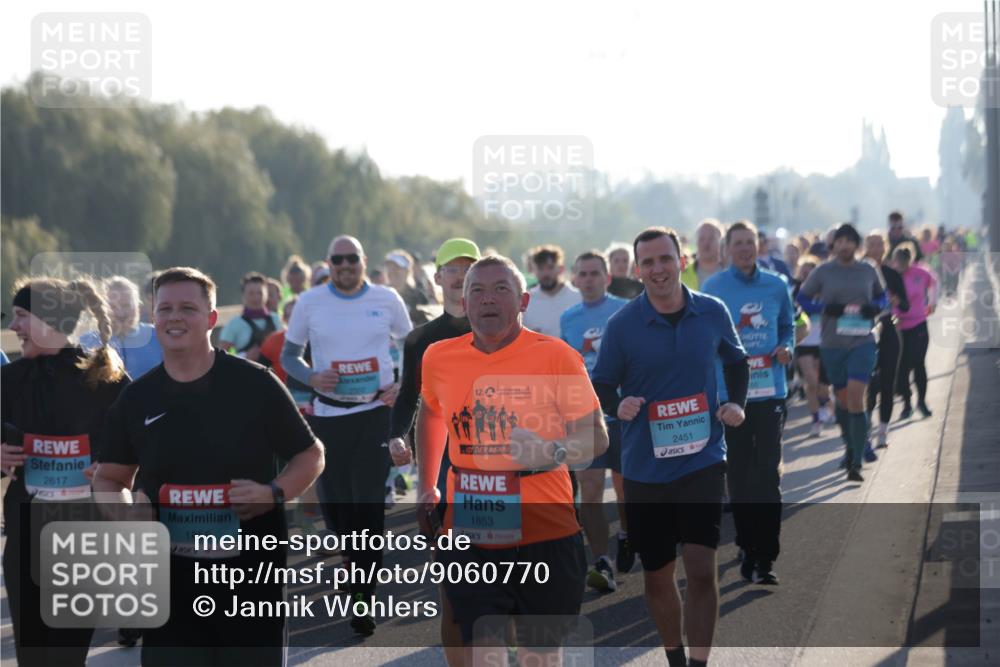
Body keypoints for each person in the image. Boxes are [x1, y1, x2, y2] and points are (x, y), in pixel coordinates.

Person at [95, 267, 324, 666]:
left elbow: (311, 455)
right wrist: (127, 514)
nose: (175, 317)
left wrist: (274, 493)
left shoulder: (255, 384)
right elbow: (109, 479)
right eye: (165, 308)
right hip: (171, 589)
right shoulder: (137, 398)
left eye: (188, 307)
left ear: (212, 319)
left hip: (250, 583)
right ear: (154, 317)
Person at [415, 255, 608, 665]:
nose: (488, 299)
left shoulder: (555, 356)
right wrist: (426, 483)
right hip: (471, 537)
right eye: (477, 291)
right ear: (463, 302)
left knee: (541, 657)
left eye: (500, 289)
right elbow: (431, 412)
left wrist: (551, 452)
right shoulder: (438, 357)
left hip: (547, 537)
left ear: (522, 301)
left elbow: (597, 437)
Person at [591, 227, 749, 667]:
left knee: (700, 568)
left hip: (702, 458)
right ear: (638, 270)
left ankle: (698, 663)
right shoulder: (622, 325)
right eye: (648, 263)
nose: (657, 269)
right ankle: (674, 657)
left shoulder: (712, 312)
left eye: (665, 259)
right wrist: (616, 403)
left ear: (682, 262)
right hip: (645, 467)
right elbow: (600, 383)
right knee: (658, 575)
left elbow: (737, 361)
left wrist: (736, 402)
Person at [281, 235, 411, 635]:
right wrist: (311, 376)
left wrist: (402, 383)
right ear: (329, 263)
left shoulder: (387, 299)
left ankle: (362, 595)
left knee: (367, 508)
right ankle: (352, 562)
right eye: (337, 260)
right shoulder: (310, 302)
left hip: (374, 414)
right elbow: (289, 356)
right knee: (337, 510)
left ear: (362, 260)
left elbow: (413, 347)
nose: (344, 265)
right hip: (328, 416)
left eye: (351, 258)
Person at [2, 276, 129, 665]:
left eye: (21, 315)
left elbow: (145, 446)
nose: (12, 327)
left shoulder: (105, 380)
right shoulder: (8, 380)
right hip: (24, 534)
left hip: (83, 539)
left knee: (62, 657)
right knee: (32, 657)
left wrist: (112, 468)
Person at [387, 237, 480, 667]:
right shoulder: (422, 339)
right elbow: (408, 397)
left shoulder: (501, 331)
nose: (460, 279)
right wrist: (397, 436)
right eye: (452, 270)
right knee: (452, 582)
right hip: (444, 471)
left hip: (498, 469)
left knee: (507, 570)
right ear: (438, 276)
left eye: (468, 270)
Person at [702, 220, 794, 586]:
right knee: (739, 475)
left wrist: (788, 347)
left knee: (768, 473)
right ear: (726, 249)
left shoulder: (777, 284)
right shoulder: (713, 288)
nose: (744, 248)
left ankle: (765, 557)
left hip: (770, 391)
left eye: (750, 242)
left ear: (758, 245)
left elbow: (787, 325)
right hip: (731, 397)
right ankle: (746, 542)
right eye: (737, 243)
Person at [559, 251, 629, 591]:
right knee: (588, 489)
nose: (588, 279)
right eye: (582, 274)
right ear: (574, 280)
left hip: (623, 413)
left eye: (594, 273)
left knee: (624, 487)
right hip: (584, 416)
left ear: (607, 277)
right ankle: (603, 560)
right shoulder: (568, 318)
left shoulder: (623, 309)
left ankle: (628, 534)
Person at [799, 223, 886, 482]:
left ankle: (857, 460)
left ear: (856, 244)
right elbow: (802, 298)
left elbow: (882, 298)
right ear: (833, 244)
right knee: (843, 400)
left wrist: (874, 308)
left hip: (863, 341)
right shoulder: (823, 271)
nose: (845, 245)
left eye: (850, 240)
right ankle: (850, 445)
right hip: (832, 345)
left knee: (857, 395)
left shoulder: (868, 269)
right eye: (840, 240)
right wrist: (825, 307)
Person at [863, 233, 909, 449]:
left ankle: (882, 430)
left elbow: (906, 304)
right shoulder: (859, 272)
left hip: (889, 329)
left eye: (880, 244)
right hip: (866, 330)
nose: (877, 248)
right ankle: (865, 430)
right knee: (870, 384)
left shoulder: (891, 273)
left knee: (888, 381)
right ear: (865, 247)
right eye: (872, 244)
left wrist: (897, 300)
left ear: (886, 247)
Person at [80, 275, 163, 379]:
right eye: (113, 307)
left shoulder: (159, 337)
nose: (120, 313)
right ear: (102, 309)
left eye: (126, 306)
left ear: (139, 306)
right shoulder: (87, 342)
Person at [892, 244, 938, 420]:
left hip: (918, 323)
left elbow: (934, 282)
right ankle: (907, 403)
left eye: (904, 261)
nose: (901, 265)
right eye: (898, 262)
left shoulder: (920, 273)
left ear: (909, 260)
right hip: (899, 326)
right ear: (894, 261)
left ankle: (922, 402)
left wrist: (932, 303)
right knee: (902, 366)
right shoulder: (891, 277)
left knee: (919, 363)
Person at [794, 258, 835, 438]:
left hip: (824, 341)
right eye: (804, 270)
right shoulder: (796, 292)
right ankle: (816, 420)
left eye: (811, 271)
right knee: (811, 383)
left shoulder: (826, 290)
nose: (807, 274)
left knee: (823, 385)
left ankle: (827, 402)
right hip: (804, 342)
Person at [258, 297, 314, 407]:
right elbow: (261, 374)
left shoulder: (318, 340)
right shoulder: (272, 341)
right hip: (283, 401)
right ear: (283, 318)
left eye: (300, 316)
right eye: (291, 316)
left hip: (315, 402)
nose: (296, 321)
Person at [217, 272, 283, 362]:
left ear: (266, 295)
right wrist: (245, 356)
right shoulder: (234, 324)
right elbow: (220, 358)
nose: (256, 298)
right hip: (246, 373)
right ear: (243, 296)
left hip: (275, 374)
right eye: (251, 293)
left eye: (260, 293)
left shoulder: (276, 319)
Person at [522, 245, 581, 336]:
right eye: (541, 268)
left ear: (561, 269)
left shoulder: (578, 297)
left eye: (550, 267)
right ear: (534, 270)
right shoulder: (526, 301)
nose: (546, 273)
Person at [385, 249, 432, 326]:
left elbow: (425, 326)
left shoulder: (418, 297)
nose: (392, 271)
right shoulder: (381, 296)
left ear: (407, 270)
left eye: (397, 267)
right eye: (390, 267)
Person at [680, 219, 725, 290]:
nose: (706, 243)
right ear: (696, 242)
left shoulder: (730, 273)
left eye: (711, 239)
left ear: (721, 241)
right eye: (702, 239)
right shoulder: (682, 275)